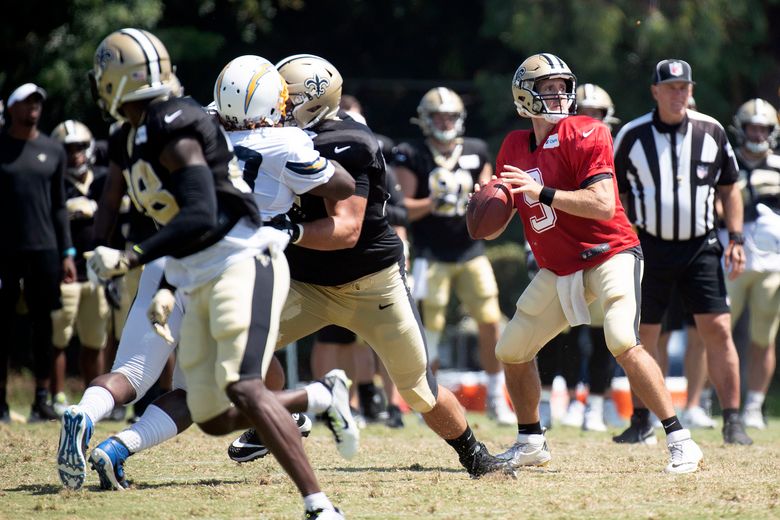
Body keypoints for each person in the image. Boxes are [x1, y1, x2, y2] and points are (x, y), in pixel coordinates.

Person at [63, 33, 347, 519]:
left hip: (191, 261)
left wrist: (112, 253)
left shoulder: (153, 129)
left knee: (149, 374)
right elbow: (336, 185)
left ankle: (89, 417)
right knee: (222, 399)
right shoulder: (248, 134)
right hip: (209, 261)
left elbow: (125, 201)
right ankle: (317, 447)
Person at [234, 54, 512, 479]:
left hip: (371, 283)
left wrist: (285, 230)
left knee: (420, 390)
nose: (274, 110)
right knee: (240, 346)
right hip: (306, 283)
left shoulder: (347, 140)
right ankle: (279, 416)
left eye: (284, 101)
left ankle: (475, 456)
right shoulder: (275, 136)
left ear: (311, 103)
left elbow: (345, 229)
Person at [486, 52, 702, 474]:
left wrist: (541, 190)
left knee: (622, 338)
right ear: (524, 95)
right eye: (547, 88)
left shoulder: (587, 131)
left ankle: (681, 439)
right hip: (559, 267)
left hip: (609, 253)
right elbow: (492, 230)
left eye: (561, 86)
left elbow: (603, 205)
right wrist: (485, 205)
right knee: (511, 349)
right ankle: (531, 440)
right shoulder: (514, 146)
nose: (559, 94)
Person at [613, 59, 752, 445]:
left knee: (718, 329)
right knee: (641, 334)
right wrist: (621, 240)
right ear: (655, 91)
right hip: (649, 246)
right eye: (670, 87)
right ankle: (642, 420)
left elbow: (730, 188)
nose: (679, 94)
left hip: (700, 245)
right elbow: (615, 192)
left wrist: (736, 238)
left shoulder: (712, 130)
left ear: (692, 90)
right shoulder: (632, 134)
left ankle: (733, 420)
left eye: (684, 87)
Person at [393, 87, 515, 426]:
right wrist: (434, 202)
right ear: (425, 119)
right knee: (428, 328)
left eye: (450, 116)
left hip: (470, 250)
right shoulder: (410, 153)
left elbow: (492, 198)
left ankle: (495, 396)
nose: (445, 122)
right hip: (430, 253)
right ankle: (427, 400)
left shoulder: (475, 151)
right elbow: (401, 208)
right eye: (438, 116)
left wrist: (485, 206)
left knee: (491, 319)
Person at [1, 83, 77, 423]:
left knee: (43, 327)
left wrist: (67, 253)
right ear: (12, 108)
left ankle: (41, 400)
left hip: (44, 249)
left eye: (38, 103)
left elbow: (60, 206)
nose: (33, 108)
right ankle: (1, 403)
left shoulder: (53, 150)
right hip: (5, 251)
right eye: (26, 102)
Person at [725, 98, 780, 429]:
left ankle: (754, 406)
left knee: (764, 336)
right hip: (730, 257)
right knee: (716, 332)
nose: (758, 133)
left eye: (764, 128)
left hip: (773, 262)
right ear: (741, 129)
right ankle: (702, 400)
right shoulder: (727, 161)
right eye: (752, 127)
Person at [49, 120, 110, 415]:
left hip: (97, 272)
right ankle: (56, 396)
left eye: (79, 148)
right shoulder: (54, 182)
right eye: (68, 149)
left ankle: (93, 401)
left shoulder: (101, 179)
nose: (75, 155)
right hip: (66, 272)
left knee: (95, 341)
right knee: (58, 339)